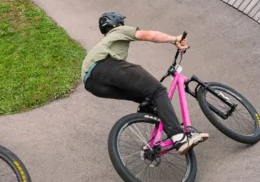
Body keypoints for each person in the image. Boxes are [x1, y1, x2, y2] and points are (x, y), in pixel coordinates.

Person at [81, 12, 208, 154]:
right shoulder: (118, 31)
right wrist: (175, 39)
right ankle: (179, 137)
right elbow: (150, 35)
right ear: (117, 23)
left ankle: (154, 145)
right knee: (158, 91)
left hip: (92, 84)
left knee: (149, 100)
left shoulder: (106, 43)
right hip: (102, 67)